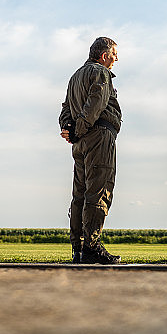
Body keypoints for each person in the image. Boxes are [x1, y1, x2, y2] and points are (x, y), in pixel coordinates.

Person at [59, 37, 122, 264]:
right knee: (98, 191)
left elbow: (65, 108)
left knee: (80, 194)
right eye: (114, 54)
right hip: (98, 136)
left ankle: (78, 248)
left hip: (81, 142)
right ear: (104, 55)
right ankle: (92, 247)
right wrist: (80, 128)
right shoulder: (101, 73)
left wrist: (69, 129)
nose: (116, 59)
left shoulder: (75, 77)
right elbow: (96, 102)